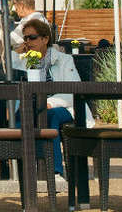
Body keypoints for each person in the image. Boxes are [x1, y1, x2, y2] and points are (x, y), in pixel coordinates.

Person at [19, 18, 80, 175]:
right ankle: (25, 171)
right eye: (25, 38)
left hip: (65, 107)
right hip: (35, 106)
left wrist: (50, 103)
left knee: (49, 116)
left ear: (45, 39)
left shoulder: (64, 60)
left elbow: (74, 90)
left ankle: (55, 171)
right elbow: (7, 68)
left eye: (32, 37)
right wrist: (17, 54)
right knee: (19, 115)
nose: (28, 42)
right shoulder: (26, 61)